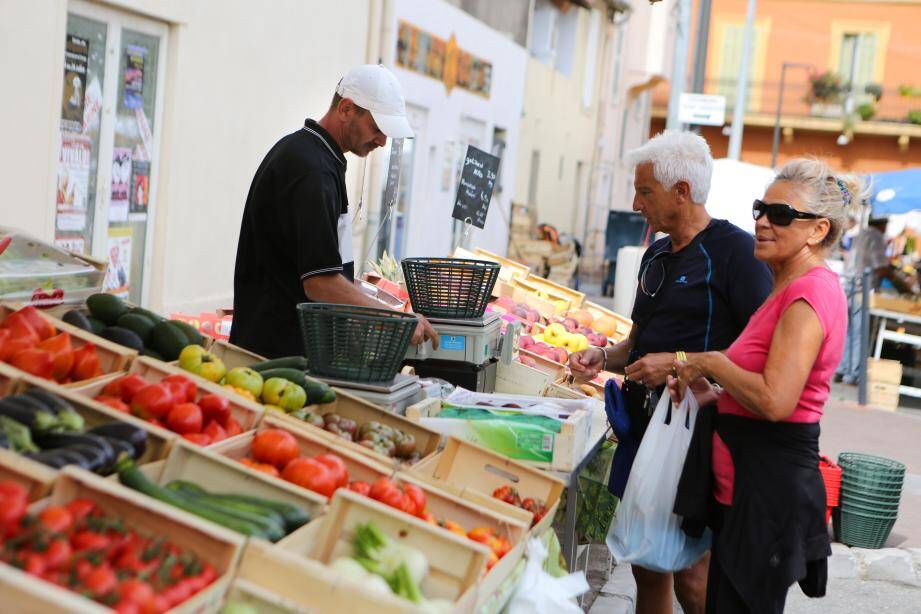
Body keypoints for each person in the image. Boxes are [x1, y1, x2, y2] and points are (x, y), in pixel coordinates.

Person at [570, 130, 773, 614]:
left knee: (693, 577)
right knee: (647, 564)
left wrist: (681, 365)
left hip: (699, 436)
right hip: (645, 429)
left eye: (645, 191)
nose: (635, 204)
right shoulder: (656, 254)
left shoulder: (736, 255)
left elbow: (761, 356)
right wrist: (603, 355)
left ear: (681, 191)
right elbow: (638, 344)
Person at [670, 158, 860, 613]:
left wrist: (710, 362)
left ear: (817, 230)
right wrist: (715, 393)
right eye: (760, 209)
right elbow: (762, 384)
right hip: (745, 487)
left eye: (780, 214)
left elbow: (777, 400)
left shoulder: (808, 294)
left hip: (766, 491)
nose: (761, 222)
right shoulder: (786, 285)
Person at [230, 64, 437, 358]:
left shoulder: (314, 156)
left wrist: (384, 305)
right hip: (276, 355)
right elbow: (320, 283)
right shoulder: (311, 170)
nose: (382, 141)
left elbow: (328, 269)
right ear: (346, 109)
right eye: (377, 128)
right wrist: (396, 320)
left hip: (284, 349)